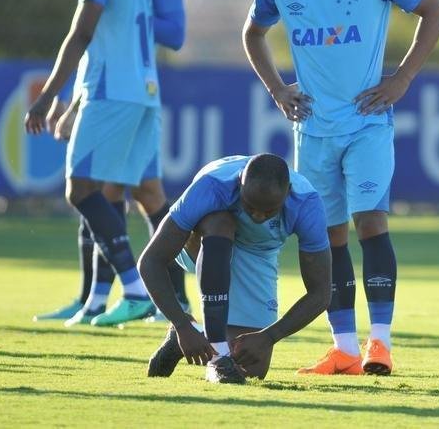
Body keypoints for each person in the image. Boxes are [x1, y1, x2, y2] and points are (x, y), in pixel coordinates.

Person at [243, 0, 439, 376]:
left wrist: (401, 78)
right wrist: (277, 88)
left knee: (370, 223)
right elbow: (252, 33)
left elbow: (434, 11)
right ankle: (345, 350)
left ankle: (380, 344)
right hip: (313, 131)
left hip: (367, 123)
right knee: (327, 238)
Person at [35, 0, 190, 325]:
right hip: (145, 93)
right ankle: (110, 296)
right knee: (124, 192)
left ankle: (139, 290)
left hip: (113, 93)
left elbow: (84, 34)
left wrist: (47, 98)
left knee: (82, 188)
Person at [139, 154, 331, 384]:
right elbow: (150, 261)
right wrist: (180, 323)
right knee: (220, 222)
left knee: (251, 366)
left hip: (259, 252)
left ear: (288, 192)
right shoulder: (212, 186)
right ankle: (217, 356)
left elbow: (321, 293)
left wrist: (269, 336)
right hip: (204, 243)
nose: (258, 216)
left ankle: (194, 334)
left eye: (269, 211)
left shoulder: (307, 204)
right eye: (250, 207)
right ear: (240, 182)